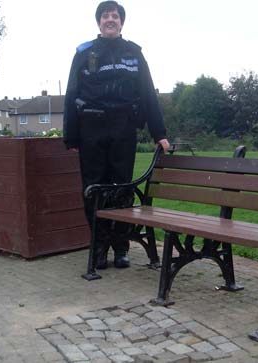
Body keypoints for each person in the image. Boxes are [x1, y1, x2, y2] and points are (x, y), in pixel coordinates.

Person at [63, 0, 169, 269]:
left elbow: (148, 92)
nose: (110, 19)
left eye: (115, 16)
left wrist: (159, 133)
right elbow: (72, 93)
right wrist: (71, 136)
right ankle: (98, 248)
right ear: (98, 22)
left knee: (121, 188)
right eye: (105, 16)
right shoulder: (84, 53)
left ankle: (121, 247)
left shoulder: (134, 53)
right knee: (93, 189)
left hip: (123, 130)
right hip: (91, 131)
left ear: (121, 22)